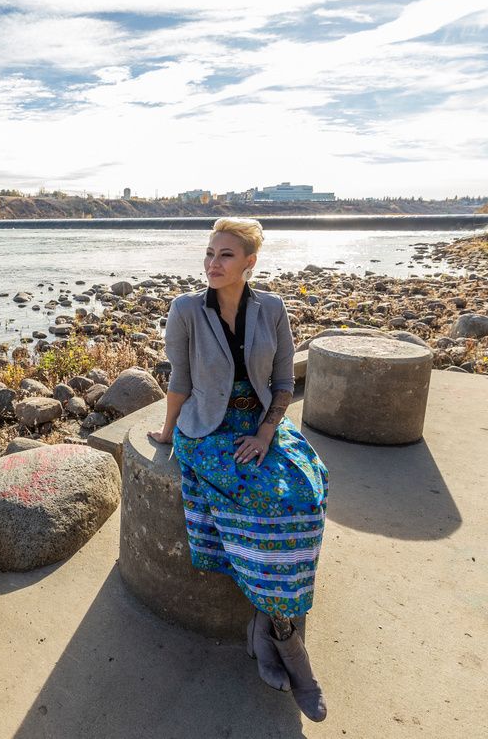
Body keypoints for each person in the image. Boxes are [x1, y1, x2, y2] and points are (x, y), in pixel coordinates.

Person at [147, 217, 330, 722]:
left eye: (225, 255)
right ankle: (286, 641)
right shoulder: (185, 309)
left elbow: (284, 380)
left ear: (249, 262)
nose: (212, 263)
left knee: (306, 494)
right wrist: (168, 433)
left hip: (260, 424)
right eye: (209, 253)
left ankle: (268, 627)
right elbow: (180, 379)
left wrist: (268, 431)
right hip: (207, 429)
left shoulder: (272, 309)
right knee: (262, 498)